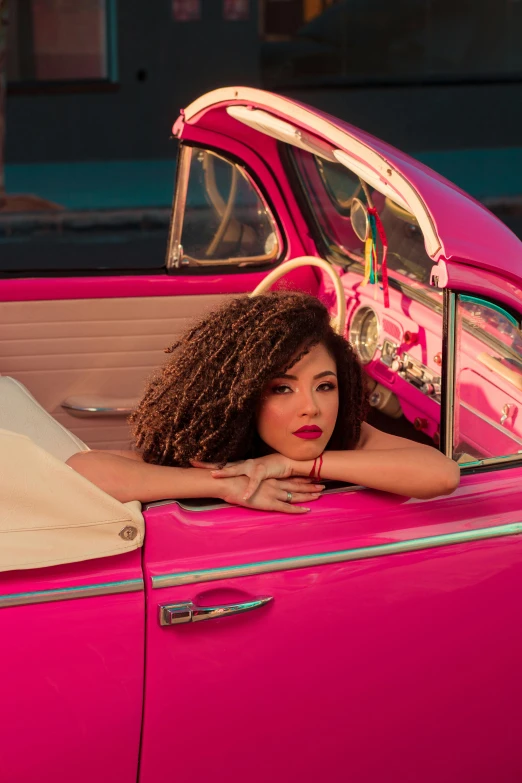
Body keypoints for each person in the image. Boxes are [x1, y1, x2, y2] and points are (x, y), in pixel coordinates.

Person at [67, 291, 459, 511]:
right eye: (282, 388)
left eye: (325, 386)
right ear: (244, 397)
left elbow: (442, 475)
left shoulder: (344, 438)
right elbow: (79, 472)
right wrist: (225, 485)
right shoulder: (214, 451)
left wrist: (294, 463)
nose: (312, 408)